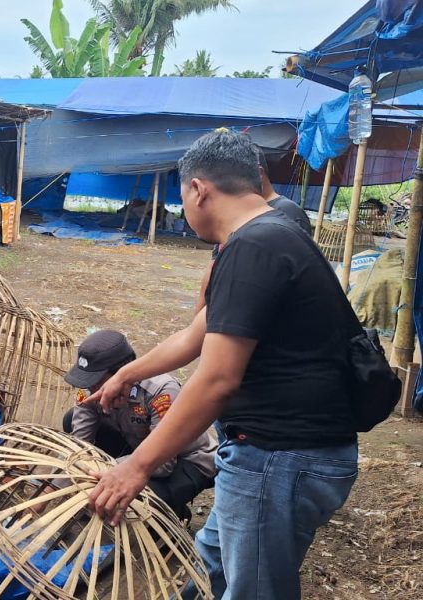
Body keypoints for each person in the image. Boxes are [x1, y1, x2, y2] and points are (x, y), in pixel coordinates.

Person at [86, 130, 359, 599]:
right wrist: (127, 374)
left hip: (280, 457)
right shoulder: (273, 234)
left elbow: (217, 380)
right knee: (208, 567)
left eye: (182, 198)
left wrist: (136, 466)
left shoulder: (254, 248)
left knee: (253, 590)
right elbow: (195, 335)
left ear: (198, 189)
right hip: (272, 454)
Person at [60, 330, 215, 520]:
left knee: (133, 501)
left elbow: (163, 464)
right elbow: (78, 445)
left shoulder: (161, 391)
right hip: (139, 446)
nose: (91, 389)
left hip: (184, 460)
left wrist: (104, 471)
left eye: (97, 382)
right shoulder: (92, 389)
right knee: (71, 419)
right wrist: (51, 488)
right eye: (88, 381)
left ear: (121, 374)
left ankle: (172, 513)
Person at [194, 143, 312, 312]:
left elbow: (281, 284)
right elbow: (214, 265)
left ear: (257, 174)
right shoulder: (235, 214)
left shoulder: (288, 213)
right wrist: (200, 312)